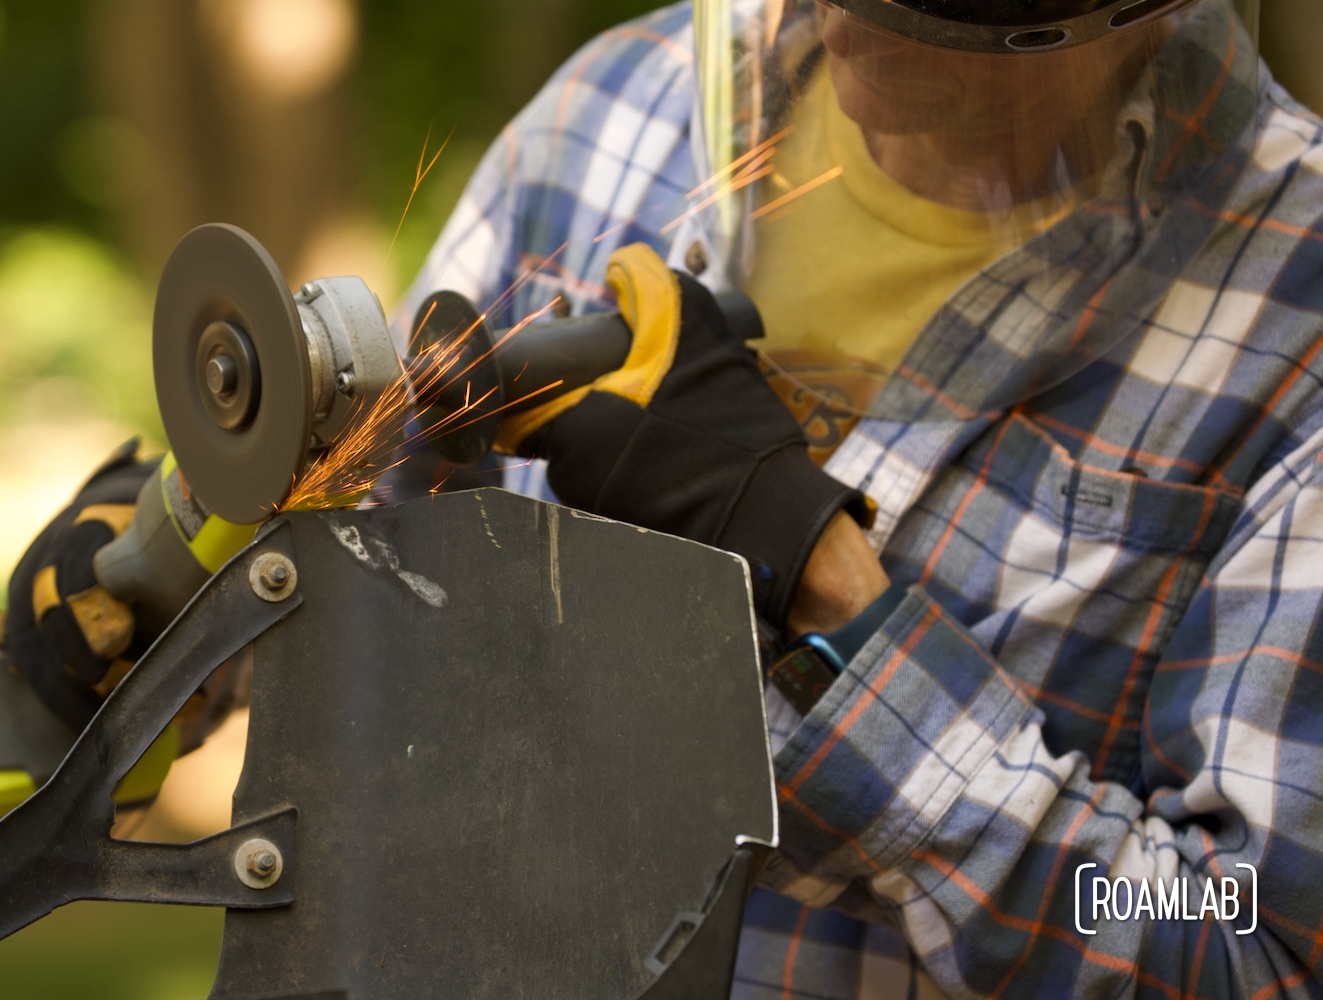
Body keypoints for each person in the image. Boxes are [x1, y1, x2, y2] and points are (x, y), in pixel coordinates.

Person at [388, 0, 1323, 994]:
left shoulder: (1295, 324)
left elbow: (1248, 951)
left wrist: (827, 587)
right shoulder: (619, 107)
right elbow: (368, 627)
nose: (838, 29)